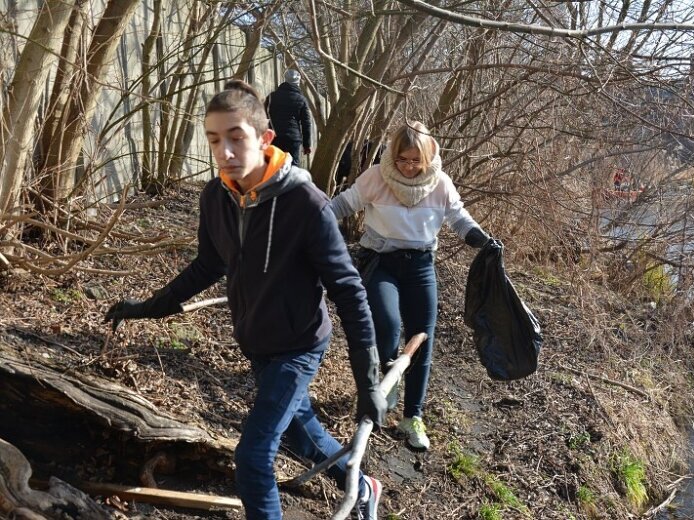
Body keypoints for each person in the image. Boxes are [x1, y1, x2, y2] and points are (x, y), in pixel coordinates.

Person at [104, 80, 386, 520]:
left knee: (253, 458)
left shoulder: (307, 205)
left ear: (264, 138)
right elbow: (207, 266)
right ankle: (360, 482)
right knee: (300, 432)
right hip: (256, 343)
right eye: (215, 140)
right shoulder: (215, 198)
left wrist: (367, 380)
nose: (225, 151)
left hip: (299, 345)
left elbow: (348, 291)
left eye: (236, 137)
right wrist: (148, 306)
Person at [330, 121, 491, 451]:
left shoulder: (440, 183)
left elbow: (458, 217)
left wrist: (479, 238)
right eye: (402, 159)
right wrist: (312, 221)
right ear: (393, 155)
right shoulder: (377, 176)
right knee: (387, 326)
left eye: (415, 161)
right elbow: (343, 204)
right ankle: (384, 390)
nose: (408, 167)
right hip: (379, 262)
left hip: (420, 266)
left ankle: (412, 417)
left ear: (428, 158)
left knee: (422, 337)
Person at [264, 69, 312, 167]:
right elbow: (306, 123)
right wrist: (307, 145)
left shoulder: (271, 97)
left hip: (274, 137)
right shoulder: (302, 100)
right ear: (297, 83)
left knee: (274, 166)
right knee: (292, 168)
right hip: (293, 138)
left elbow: (263, 116)